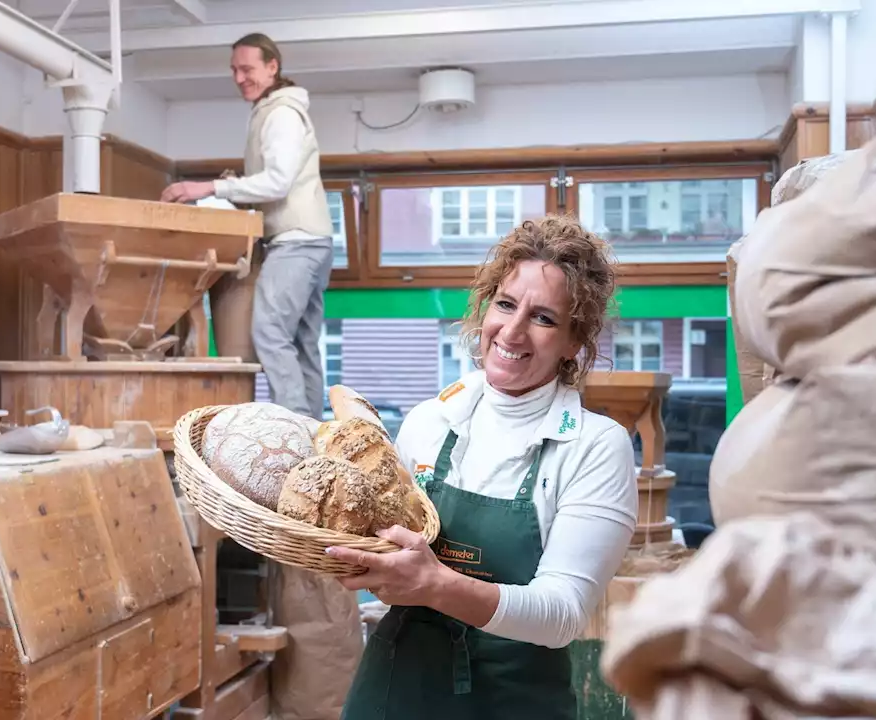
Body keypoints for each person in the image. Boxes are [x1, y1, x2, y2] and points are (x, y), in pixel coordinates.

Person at [327, 215, 639, 719]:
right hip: (395, 688)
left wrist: (435, 586)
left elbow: (561, 615)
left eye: (543, 318)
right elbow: (379, 547)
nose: (512, 331)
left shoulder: (595, 447)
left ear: (573, 343)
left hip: (514, 699)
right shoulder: (430, 420)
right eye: (506, 304)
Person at [160, 32, 335, 420]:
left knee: (270, 334)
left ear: (272, 67)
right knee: (302, 342)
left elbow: (278, 181)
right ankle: (312, 432)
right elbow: (275, 183)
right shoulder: (274, 110)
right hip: (312, 239)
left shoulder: (281, 114)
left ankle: (290, 429)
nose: (240, 77)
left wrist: (205, 187)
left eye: (248, 68)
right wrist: (238, 189)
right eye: (234, 70)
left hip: (295, 242)